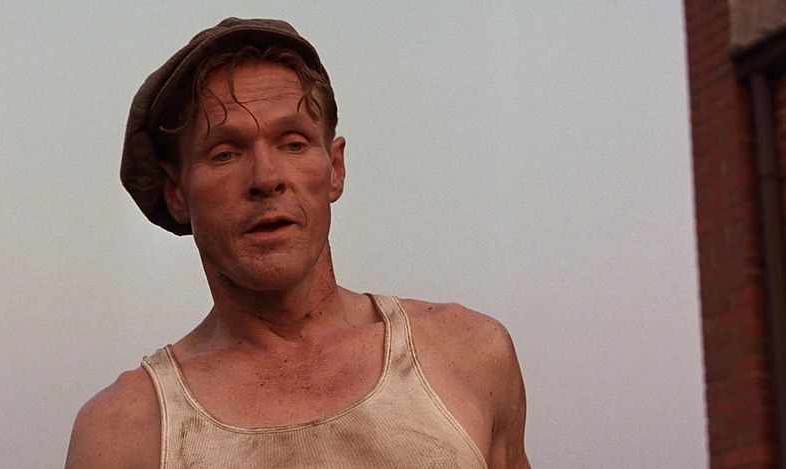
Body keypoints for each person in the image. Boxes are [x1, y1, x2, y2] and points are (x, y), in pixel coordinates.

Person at [66, 17, 529, 468]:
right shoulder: (126, 431)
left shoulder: (467, 355)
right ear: (176, 192)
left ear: (335, 167)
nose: (266, 178)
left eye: (293, 143)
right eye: (225, 153)